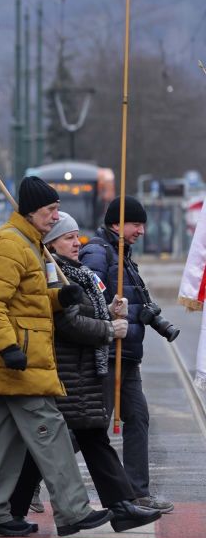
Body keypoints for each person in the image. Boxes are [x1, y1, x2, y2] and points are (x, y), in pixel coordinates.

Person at [0, 176, 113, 538]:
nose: (56, 216)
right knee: (52, 431)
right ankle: (73, 510)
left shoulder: (27, 243)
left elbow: (25, 300)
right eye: (51, 210)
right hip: (20, 360)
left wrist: (58, 299)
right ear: (33, 211)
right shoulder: (10, 244)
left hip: (23, 355)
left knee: (4, 439)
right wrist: (7, 348)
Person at [7, 212, 161, 533]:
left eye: (77, 236)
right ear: (50, 243)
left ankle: (12, 509)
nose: (77, 243)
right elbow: (67, 322)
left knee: (73, 439)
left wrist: (109, 309)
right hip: (66, 368)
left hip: (83, 369)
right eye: (68, 237)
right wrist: (108, 329)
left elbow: (85, 312)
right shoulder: (53, 273)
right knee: (80, 438)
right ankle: (119, 508)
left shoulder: (79, 273)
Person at [80, 196, 175, 514]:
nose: (142, 231)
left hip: (127, 356)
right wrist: (111, 314)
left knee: (138, 419)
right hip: (107, 354)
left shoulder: (123, 255)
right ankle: (31, 480)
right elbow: (88, 297)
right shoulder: (97, 252)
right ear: (116, 224)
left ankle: (137, 492)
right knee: (89, 428)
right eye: (136, 224)